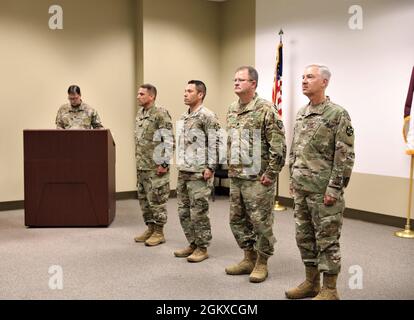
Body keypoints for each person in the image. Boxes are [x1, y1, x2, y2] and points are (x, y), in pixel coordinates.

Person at [285, 65, 355, 300]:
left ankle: (330, 289)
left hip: (323, 191)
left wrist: (335, 188)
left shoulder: (337, 114)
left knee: (327, 240)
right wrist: (292, 178)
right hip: (302, 189)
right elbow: (295, 149)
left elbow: (344, 156)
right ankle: (311, 282)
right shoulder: (302, 113)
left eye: (310, 77)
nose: (304, 81)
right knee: (304, 238)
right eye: (302, 77)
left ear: (324, 82)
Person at [225, 66, 286, 283]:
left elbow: (278, 146)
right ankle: (248, 257)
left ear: (253, 83)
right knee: (237, 220)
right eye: (235, 79)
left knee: (260, 222)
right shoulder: (232, 108)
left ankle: (262, 262)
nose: (236, 83)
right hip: (237, 176)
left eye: (241, 79)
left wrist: (271, 173)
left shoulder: (266, 109)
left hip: (258, 178)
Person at [173, 80, 222, 263]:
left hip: (200, 172)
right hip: (184, 170)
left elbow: (216, 142)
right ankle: (192, 243)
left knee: (198, 211)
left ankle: (202, 247)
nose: (185, 94)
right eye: (184, 90)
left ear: (200, 94)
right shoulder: (184, 117)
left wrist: (211, 167)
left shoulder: (207, 116)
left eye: (189, 91)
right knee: (183, 211)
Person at [133, 84, 174, 247]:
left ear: (151, 96)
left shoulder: (160, 114)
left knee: (157, 201)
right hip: (142, 165)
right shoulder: (140, 114)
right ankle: (150, 228)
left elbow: (169, 140)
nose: (138, 96)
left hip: (156, 167)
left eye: (141, 94)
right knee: (144, 200)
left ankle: (159, 232)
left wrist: (164, 163)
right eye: (138, 93)